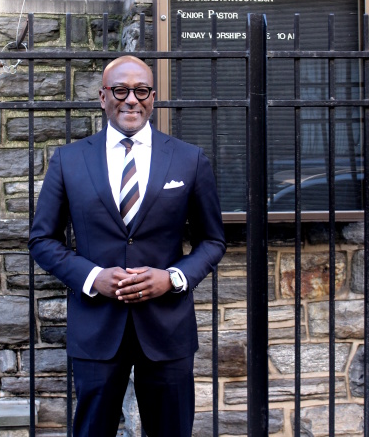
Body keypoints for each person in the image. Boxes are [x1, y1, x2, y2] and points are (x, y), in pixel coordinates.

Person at [28, 55, 226, 437]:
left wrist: (173, 277)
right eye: (120, 90)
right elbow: (41, 239)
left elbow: (213, 240)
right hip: (96, 327)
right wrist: (93, 277)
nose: (131, 100)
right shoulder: (69, 160)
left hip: (166, 328)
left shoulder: (189, 160)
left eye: (141, 91)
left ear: (153, 98)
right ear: (103, 97)